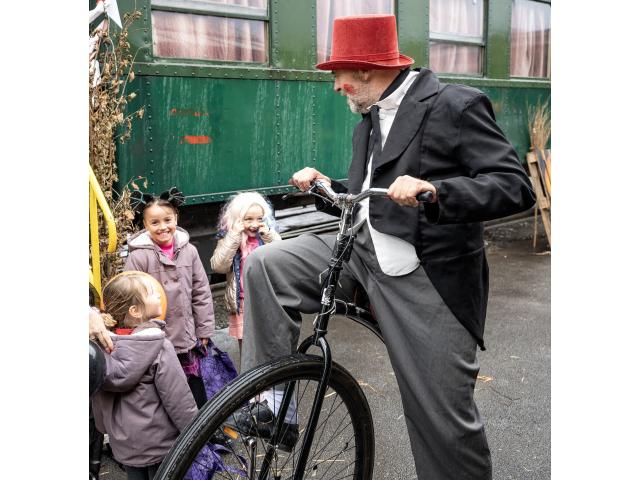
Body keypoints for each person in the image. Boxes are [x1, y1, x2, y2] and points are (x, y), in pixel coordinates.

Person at [237, 14, 536, 480]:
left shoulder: (454, 106)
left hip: (424, 274)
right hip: (359, 254)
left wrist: (437, 192)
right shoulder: (369, 119)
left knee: (441, 421)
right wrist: (325, 186)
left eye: (338, 73)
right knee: (265, 265)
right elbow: (368, 201)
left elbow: (513, 185)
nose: (335, 86)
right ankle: (274, 406)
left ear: (364, 69)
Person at [91, 272, 198, 480]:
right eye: (151, 293)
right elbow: (178, 398)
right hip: (162, 443)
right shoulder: (158, 347)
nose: (159, 294)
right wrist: (194, 431)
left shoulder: (102, 351)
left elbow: (97, 394)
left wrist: (104, 428)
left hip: (125, 446)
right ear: (136, 310)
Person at [124, 187, 215, 409]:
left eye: (167, 220)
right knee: (165, 388)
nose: (163, 227)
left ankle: (203, 429)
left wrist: (204, 329)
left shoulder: (189, 251)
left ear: (176, 218)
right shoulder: (138, 257)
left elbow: (201, 291)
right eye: (154, 223)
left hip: (186, 335)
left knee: (194, 384)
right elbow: (130, 298)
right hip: (156, 338)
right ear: (145, 225)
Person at [210, 192, 281, 361]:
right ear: (237, 219)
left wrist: (269, 236)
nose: (255, 224)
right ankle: (252, 383)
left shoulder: (266, 235)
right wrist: (233, 236)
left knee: (269, 344)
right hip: (242, 302)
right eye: (248, 219)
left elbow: (281, 257)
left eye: (260, 219)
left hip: (265, 300)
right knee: (247, 350)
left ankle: (270, 381)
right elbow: (218, 266)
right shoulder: (229, 238)